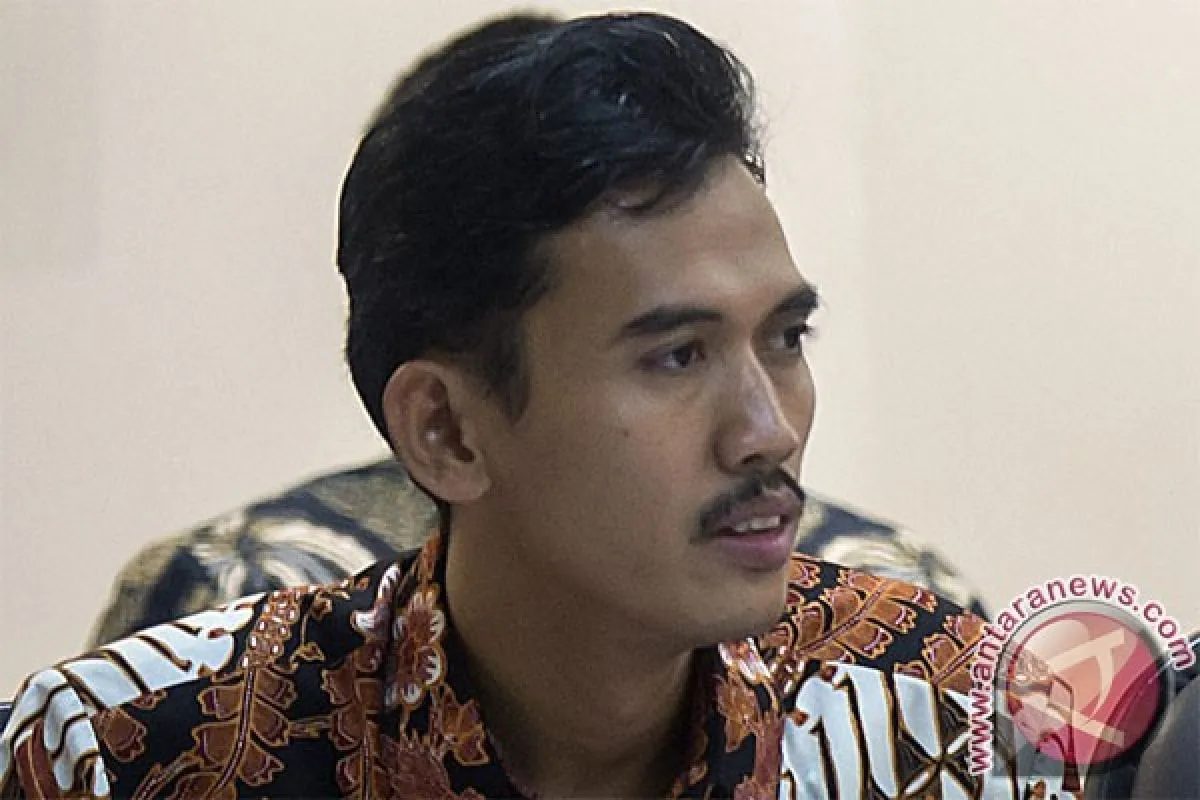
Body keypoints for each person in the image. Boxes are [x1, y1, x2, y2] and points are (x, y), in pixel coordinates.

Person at [0, 11, 1064, 798]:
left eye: (785, 338)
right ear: (446, 431)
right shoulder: (130, 754)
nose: (769, 429)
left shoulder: (948, 727)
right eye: (678, 356)